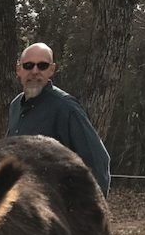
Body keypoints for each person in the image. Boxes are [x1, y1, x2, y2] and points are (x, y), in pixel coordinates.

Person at [7, 42, 111, 196]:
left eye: (42, 66)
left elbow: (97, 161)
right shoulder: (16, 106)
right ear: (19, 69)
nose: (35, 71)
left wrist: (89, 214)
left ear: (51, 69)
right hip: (21, 208)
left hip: (54, 210)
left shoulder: (66, 107)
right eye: (28, 65)